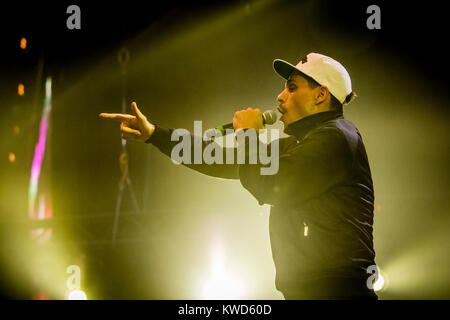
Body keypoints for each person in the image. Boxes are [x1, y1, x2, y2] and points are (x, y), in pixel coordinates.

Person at [100, 52, 378, 300]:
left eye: (292, 88)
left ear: (321, 95)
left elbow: (270, 186)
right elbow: (216, 158)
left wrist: (248, 133)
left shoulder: (337, 137)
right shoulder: (298, 145)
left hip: (339, 291)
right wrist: (155, 134)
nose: (280, 97)